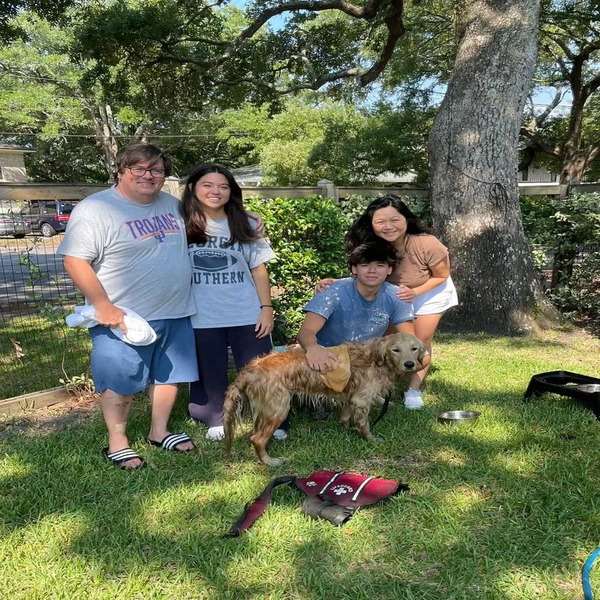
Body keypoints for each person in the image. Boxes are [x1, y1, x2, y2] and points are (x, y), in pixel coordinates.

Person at [57, 143, 199, 470]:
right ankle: (117, 441)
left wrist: (248, 222)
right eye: (140, 168)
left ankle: (159, 431)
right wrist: (102, 304)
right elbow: (75, 259)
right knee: (119, 380)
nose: (149, 175)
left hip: (175, 310)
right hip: (122, 316)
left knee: (168, 376)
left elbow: (211, 221)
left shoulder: (171, 204)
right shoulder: (96, 209)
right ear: (122, 170)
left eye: (157, 170)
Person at [182, 163, 288, 441]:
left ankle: (272, 419)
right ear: (193, 188)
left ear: (232, 191)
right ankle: (214, 416)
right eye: (208, 185)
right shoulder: (177, 221)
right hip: (200, 313)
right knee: (209, 369)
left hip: (246, 312)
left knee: (261, 369)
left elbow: (258, 269)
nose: (215, 191)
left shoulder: (246, 223)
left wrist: (266, 309)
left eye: (224, 186)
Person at [343, 195, 458, 409]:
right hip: (392, 293)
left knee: (418, 340)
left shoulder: (427, 243)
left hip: (430, 290)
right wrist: (333, 283)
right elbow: (360, 272)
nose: (388, 227)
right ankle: (378, 387)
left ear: (406, 219)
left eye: (394, 220)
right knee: (385, 340)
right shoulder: (368, 243)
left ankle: (413, 390)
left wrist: (415, 292)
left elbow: (441, 275)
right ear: (371, 224)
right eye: (380, 221)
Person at [298, 239, 414, 374]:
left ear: (389, 269)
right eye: (365, 265)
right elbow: (305, 331)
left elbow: (409, 338)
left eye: (380, 265)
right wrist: (313, 348)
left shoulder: (398, 296)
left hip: (368, 361)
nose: (372, 270)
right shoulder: (332, 291)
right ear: (354, 269)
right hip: (326, 356)